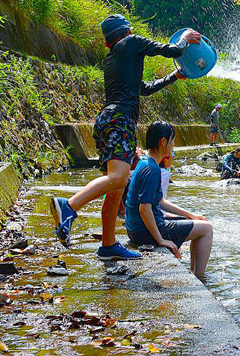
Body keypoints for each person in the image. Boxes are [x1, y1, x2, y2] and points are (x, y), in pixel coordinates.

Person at [49, 14, 201, 260]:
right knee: (118, 178)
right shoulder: (131, 43)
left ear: (108, 41)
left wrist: (173, 77)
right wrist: (184, 39)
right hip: (121, 121)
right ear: (127, 32)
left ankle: (108, 245)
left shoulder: (115, 59)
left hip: (107, 121)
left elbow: (145, 89)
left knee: (116, 186)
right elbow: (172, 50)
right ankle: (69, 206)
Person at [125, 122, 213, 278]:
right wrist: (161, 240)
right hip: (145, 232)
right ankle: (199, 276)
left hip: (135, 229)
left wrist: (190, 215)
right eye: (172, 140)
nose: (173, 144)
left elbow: (160, 202)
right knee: (206, 229)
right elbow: (144, 209)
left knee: (200, 223)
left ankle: (193, 272)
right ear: (163, 142)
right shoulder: (152, 169)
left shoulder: (145, 163)